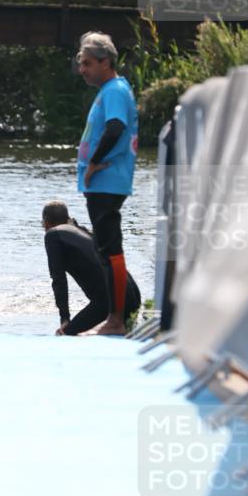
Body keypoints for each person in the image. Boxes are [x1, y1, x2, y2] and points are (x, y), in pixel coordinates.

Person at [76, 31, 138, 335]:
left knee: (110, 246)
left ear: (105, 62)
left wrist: (95, 163)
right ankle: (114, 318)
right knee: (104, 247)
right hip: (102, 182)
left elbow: (116, 127)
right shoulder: (111, 89)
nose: (82, 70)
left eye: (88, 63)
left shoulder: (114, 90)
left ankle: (116, 319)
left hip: (107, 180)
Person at [42, 201, 140, 335]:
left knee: (65, 335)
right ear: (67, 218)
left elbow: (58, 279)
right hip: (132, 294)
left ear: (46, 223)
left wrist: (64, 319)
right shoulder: (81, 231)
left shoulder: (53, 235)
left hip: (109, 300)